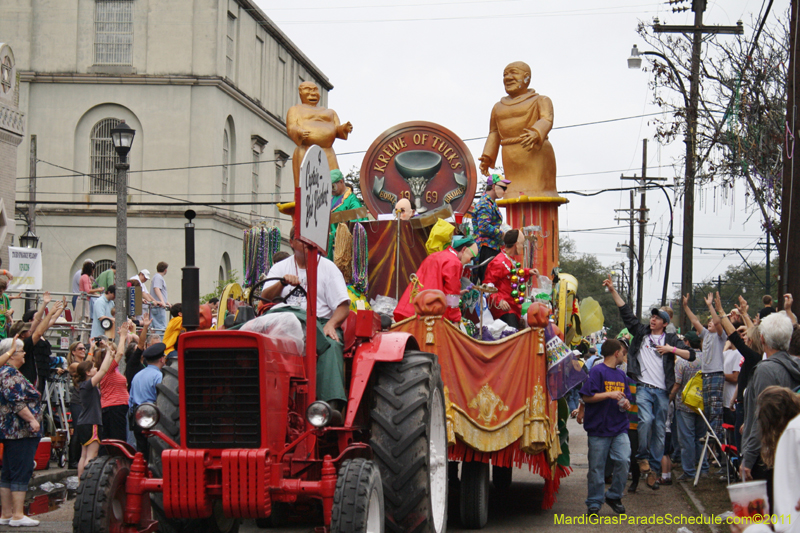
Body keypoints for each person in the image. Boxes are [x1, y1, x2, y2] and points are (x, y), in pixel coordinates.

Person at [603, 275, 696, 490]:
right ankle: (642, 457)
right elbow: (626, 312)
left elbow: (690, 355)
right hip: (643, 388)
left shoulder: (671, 340)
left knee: (660, 429)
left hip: (663, 391)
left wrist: (670, 350)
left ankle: (651, 467)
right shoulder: (641, 333)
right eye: (651, 316)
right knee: (645, 421)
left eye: (657, 318)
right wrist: (613, 290)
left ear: (665, 323)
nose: (652, 319)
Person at [260, 227, 351, 408]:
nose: (306, 243)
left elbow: (343, 306)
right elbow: (265, 299)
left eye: (309, 238)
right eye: (301, 239)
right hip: (284, 321)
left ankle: (328, 406)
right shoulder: (279, 268)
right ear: (292, 242)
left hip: (320, 322)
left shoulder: (328, 268)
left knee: (331, 343)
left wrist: (331, 324)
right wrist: (282, 283)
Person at [739, 312, 800, 504]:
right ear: (789, 339)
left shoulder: (765, 370)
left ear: (762, 338)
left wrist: (748, 460)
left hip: (764, 457)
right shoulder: (794, 366)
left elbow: (762, 418)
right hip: (786, 451)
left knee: (759, 517)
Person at [479, 61, 557, 198]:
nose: (508, 78)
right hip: (510, 156)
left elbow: (546, 119)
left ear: (526, 77)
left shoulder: (541, 100)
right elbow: (494, 132)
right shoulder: (498, 107)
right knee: (513, 194)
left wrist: (536, 132)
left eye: (513, 73)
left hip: (534, 152)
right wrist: (487, 157)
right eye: (505, 75)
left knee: (538, 193)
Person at [579, 338, 631, 517]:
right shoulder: (596, 371)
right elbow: (586, 397)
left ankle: (614, 496)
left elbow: (627, 397)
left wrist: (626, 404)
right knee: (596, 468)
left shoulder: (622, 375)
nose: (624, 355)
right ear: (616, 353)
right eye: (623, 352)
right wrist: (608, 394)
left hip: (619, 427)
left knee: (624, 461)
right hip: (599, 429)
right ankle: (594, 502)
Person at [0, 336, 42, 527]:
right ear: (10, 355)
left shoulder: (6, 372)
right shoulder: (9, 374)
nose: (24, 353)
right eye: (21, 350)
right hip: (19, 430)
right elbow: (16, 401)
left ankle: (6, 513)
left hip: (10, 430)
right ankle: (17, 514)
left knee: (9, 472)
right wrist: (32, 419)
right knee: (20, 470)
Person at [393, 236, 478, 324]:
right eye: (472, 258)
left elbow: (432, 282)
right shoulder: (454, 262)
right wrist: (456, 319)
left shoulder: (436, 255)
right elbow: (452, 296)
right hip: (427, 313)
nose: (469, 262)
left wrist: (457, 293)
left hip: (412, 309)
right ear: (464, 249)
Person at [286, 81, 352, 187]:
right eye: (308, 89)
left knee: (335, 181)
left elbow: (337, 129)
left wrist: (344, 128)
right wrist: (299, 132)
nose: (313, 93)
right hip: (306, 149)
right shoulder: (295, 110)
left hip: (328, 151)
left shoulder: (330, 112)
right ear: (300, 92)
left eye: (315, 90)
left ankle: (335, 202)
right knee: (306, 185)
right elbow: (291, 127)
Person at [683, 292, 727, 444]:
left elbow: (718, 322)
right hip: (706, 375)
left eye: (712, 322)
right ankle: (710, 434)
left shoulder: (721, 336)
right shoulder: (706, 334)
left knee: (715, 406)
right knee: (707, 407)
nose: (710, 323)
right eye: (708, 322)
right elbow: (694, 320)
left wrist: (710, 306)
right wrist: (686, 307)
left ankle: (716, 436)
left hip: (716, 374)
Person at [483, 229, 538, 329]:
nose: (522, 247)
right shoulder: (499, 261)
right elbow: (487, 286)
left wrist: (528, 272)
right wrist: (499, 301)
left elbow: (515, 275)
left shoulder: (510, 259)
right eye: (522, 244)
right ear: (516, 244)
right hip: (504, 310)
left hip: (513, 307)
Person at [670, 330, 707, 481]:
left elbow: (677, 384)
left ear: (687, 343)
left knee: (686, 439)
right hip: (701, 404)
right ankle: (703, 468)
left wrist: (669, 398)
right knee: (700, 438)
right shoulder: (707, 359)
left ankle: (689, 471)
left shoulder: (682, 362)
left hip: (684, 404)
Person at [75, 341, 115, 478]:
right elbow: (103, 371)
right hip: (91, 422)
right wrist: (109, 352)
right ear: (87, 372)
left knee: (83, 455)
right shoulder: (88, 384)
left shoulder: (83, 385)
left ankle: (81, 483)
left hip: (83, 422)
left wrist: (110, 355)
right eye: (93, 368)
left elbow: (103, 369)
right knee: (91, 455)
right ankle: (87, 483)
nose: (95, 369)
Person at [128, 342, 166, 457]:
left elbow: (131, 399)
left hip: (138, 416)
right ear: (162, 359)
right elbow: (161, 399)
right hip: (153, 418)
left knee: (141, 450)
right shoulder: (158, 376)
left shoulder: (138, 375)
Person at [472, 174, 510, 282]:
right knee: (488, 283)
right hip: (486, 249)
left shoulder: (490, 203)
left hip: (491, 247)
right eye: (503, 188)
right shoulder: (485, 203)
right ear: (493, 186)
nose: (505, 191)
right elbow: (484, 227)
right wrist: (502, 234)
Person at [98, 325, 130, 442]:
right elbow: (120, 353)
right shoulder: (106, 369)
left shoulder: (111, 370)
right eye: (111, 352)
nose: (114, 353)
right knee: (117, 440)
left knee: (115, 438)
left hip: (116, 407)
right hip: (114, 408)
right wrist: (122, 337)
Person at [328, 169, 367, 260]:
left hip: (343, 249)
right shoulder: (329, 199)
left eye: (333, 186)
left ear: (341, 182)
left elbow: (357, 225)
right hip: (328, 246)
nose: (331, 190)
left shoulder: (352, 201)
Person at [125, 313, 152, 389]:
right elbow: (141, 344)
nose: (142, 349)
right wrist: (145, 327)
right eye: (137, 350)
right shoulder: (133, 363)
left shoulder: (145, 361)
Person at [151, 262, 169, 331]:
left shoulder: (156, 277)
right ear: (165, 270)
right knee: (160, 328)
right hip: (159, 306)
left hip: (159, 305)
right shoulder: (158, 277)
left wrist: (166, 302)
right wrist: (162, 301)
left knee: (158, 327)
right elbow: (157, 288)